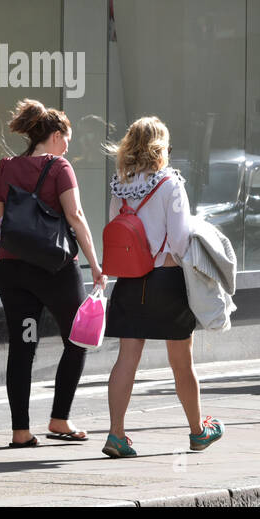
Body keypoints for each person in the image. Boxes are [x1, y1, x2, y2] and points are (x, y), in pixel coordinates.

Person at [101, 117, 222, 458]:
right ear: (161, 148)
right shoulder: (171, 184)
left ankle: (116, 435)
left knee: (126, 359)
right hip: (166, 282)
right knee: (181, 362)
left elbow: (114, 229)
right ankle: (198, 432)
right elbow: (181, 241)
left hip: (129, 281)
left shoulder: (120, 185)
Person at [0, 99, 104, 448]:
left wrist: (5, 259)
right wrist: (96, 266)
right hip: (55, 268)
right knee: (78, 336)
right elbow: (76, 216)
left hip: (14, 270)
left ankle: (20, 431)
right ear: (55, 136)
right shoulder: (60, 167)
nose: (68, 145)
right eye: (66, 138)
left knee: (22, 347)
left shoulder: (6, 166)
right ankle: (59, 418)